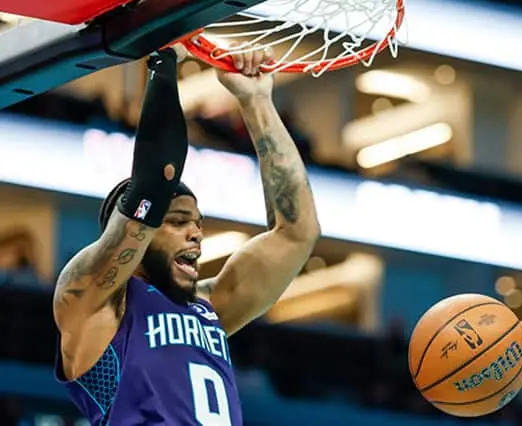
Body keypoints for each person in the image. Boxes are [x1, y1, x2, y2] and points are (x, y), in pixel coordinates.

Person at [51, 46, 321, 425]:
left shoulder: (209, 307)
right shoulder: (94, 301)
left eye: (198, 223)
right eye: (178, 222)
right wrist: (164, 57)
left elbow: (297, 233)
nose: (196, 234)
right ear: (137, 236)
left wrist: (257, 102)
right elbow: (152, 184)